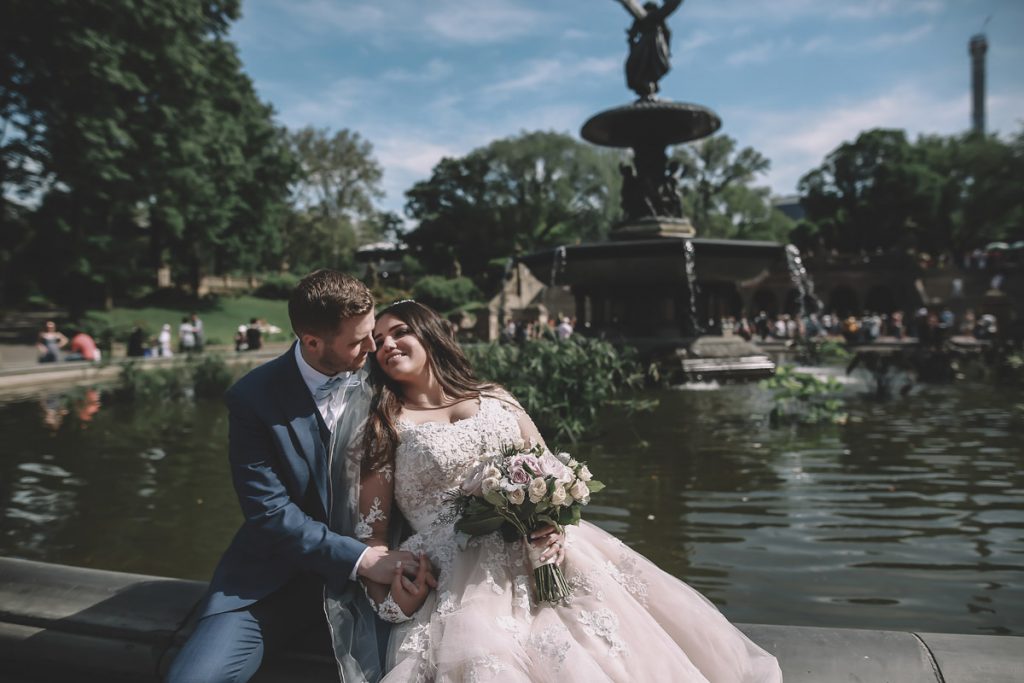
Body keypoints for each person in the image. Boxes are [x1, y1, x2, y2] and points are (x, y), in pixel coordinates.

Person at [351, 300, 781, 682]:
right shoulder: (385, 426)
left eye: (400, 331)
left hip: (539, 547)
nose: (387, 344)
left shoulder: (495, 396)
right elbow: (372, 536)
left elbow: (546, 470)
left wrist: (554, 523)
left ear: (428, 335)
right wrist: (394, 605)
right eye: (378, 339)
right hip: (454, 570)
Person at [166, 271, 423, 683]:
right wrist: (359, 559)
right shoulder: (252, 398)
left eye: (371, 332)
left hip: (384, 579)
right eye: (358, 341)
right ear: (312, 341)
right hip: (277, 580)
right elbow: (268, 513)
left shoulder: (389, 374)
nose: (374, 347)